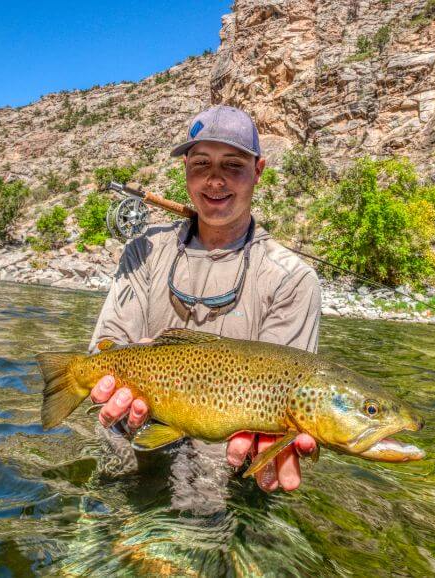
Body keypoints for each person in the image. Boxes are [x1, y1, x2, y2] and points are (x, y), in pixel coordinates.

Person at [88, 105, 321, 493]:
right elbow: (104, 349)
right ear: (186, 171)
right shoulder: (142, 251)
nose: (215, 180)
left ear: (258, 171)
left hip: (227, 483)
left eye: (232, 165)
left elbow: (285, 393)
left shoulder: (293, 278)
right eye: (201, 164)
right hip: (132, 459)